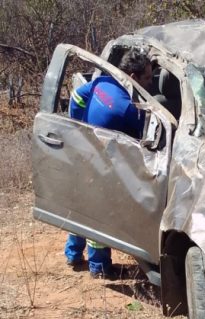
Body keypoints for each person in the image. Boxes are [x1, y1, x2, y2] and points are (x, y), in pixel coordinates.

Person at [64, 48, 152, 278]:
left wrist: (79, 126)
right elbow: (139, 143)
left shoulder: (101, 83)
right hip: (101, 164)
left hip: (82, 152)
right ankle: (99, 267)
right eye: (148, 78)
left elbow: (76, 97)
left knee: (81, 205)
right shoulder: (128, 109)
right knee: (100, 215)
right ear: (133, 77)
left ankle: (72, 254)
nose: (150, 83)